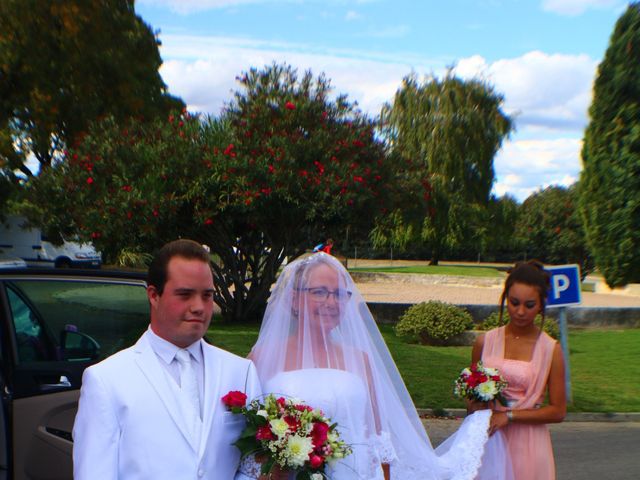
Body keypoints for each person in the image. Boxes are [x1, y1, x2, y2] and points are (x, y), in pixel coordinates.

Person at [236, 253, 512, 480]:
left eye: (339, 294)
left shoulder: (360, 359)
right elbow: (249, 439)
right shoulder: (261, 357)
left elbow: (379, 438)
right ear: (295, 299)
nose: (331, 302)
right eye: (319, 292)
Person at [73, 239, 262, 479]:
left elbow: (253, 466)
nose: (199, 307)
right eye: (185, 294)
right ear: (153, 295)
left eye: (207, 295)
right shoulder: (107, 380)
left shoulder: (241, 371)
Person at [471, 260, 566, 480]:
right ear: (505, 299)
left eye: (529, 305)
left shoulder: (551, 350)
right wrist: (475, 405)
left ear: (541, 305)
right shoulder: (484, 342)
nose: (520, 311)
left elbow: (558, 411)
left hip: (529, 444)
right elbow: (472, 398)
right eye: (514, 303)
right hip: (489, 439)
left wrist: (509, 416)